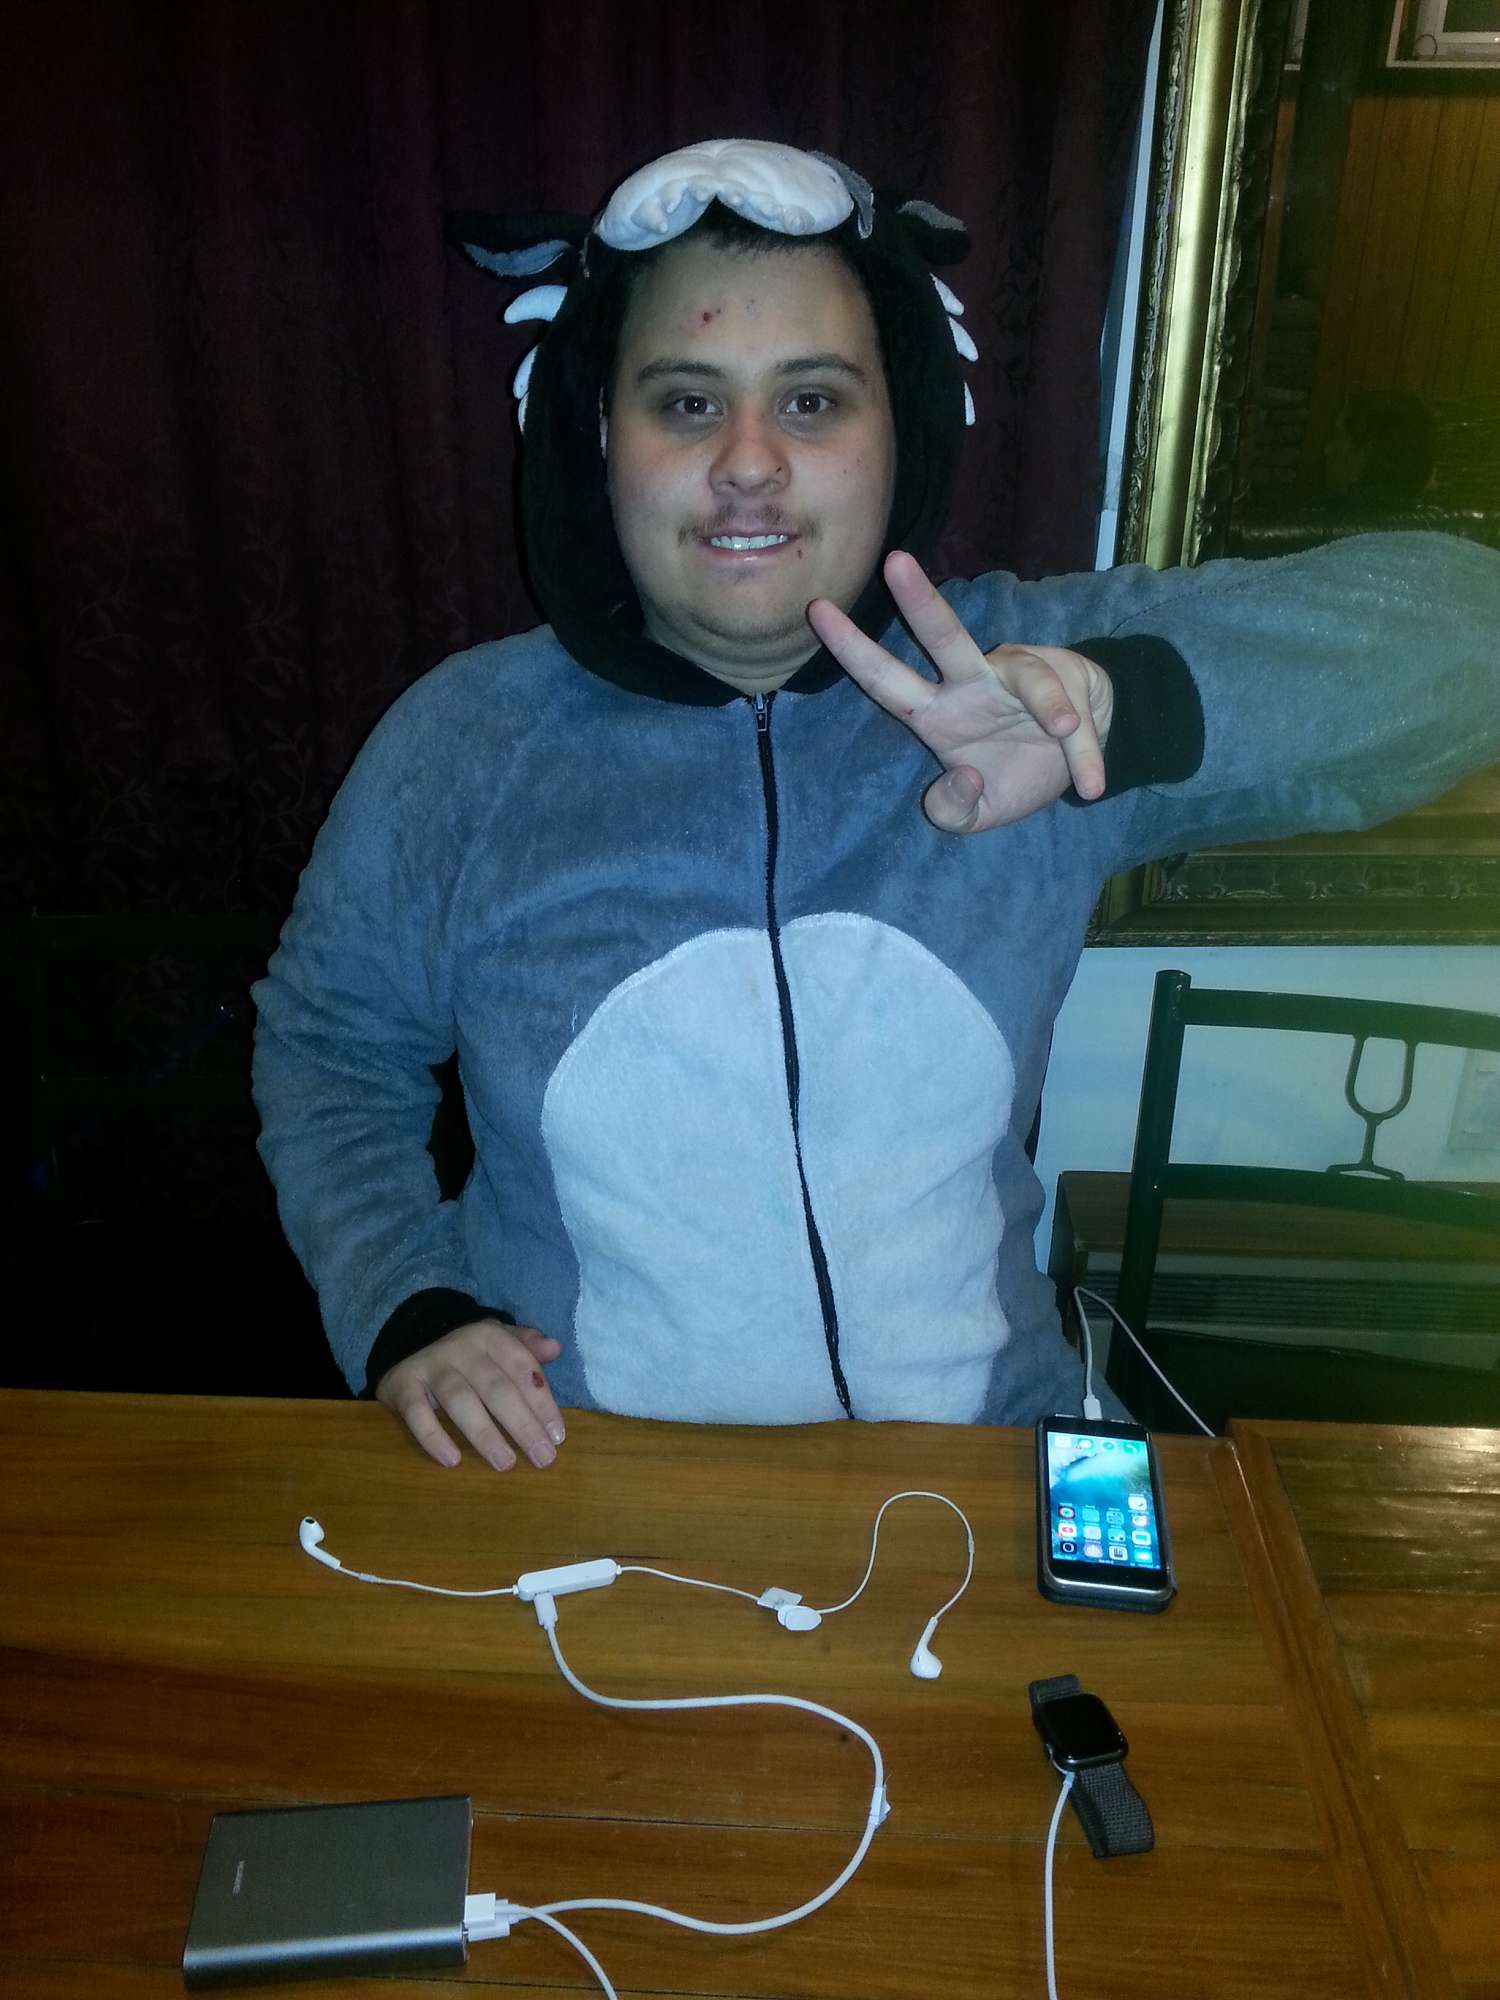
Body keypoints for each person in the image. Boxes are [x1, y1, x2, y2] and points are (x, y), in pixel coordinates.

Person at [252, 139, 1500, 1474]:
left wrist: (1114, 704)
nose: (747, 463)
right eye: (686, 402)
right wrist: (410, 1304)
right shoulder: (462, 746)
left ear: (897, 428)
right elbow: (331, 1048)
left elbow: (1465, 641)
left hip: (987, 1469)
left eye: (812, 401)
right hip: (586, 1483)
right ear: (598, 437)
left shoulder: (1012, 674)